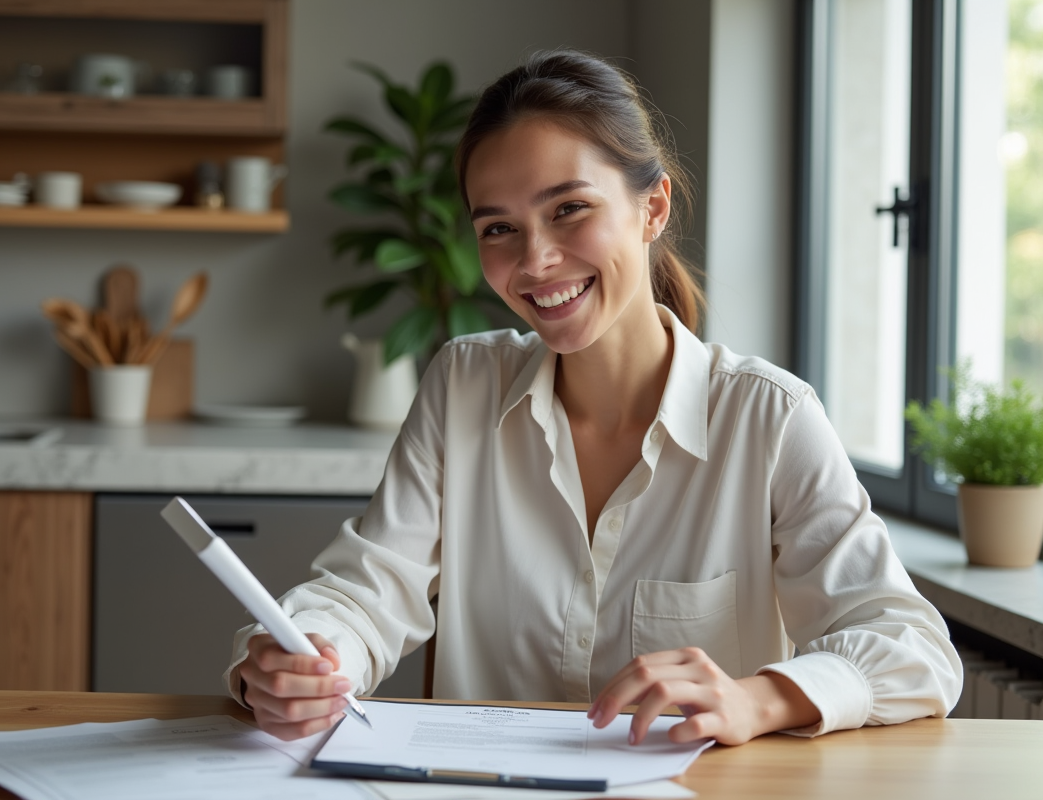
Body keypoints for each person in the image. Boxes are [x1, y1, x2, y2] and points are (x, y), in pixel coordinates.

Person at [226, 49, 962, 746]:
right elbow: (366, 591)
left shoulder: (768, 418)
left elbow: (917, 648)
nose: (535, 260)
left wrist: (755, 698)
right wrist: (311, 658)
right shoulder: (462, 386)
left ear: (652, 208)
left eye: (569, 209)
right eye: (498, 229)